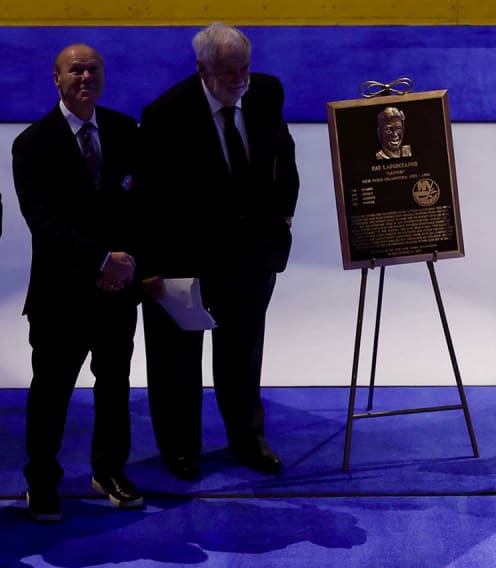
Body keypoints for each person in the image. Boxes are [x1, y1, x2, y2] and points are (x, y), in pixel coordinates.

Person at [136, 23, 299, 480]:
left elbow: (284, 158)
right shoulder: (165, 114)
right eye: (228, 72)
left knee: (243, 355)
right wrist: (153, 269)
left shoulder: (267, 92)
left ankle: (248, 440)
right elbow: (148, 201)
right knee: (177, 363)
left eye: (244, 67)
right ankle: (181, 450)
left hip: (251, 257)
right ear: (202, 69)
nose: (240, 79)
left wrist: (283, 213)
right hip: (187, 259)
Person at [12, 44, 144, 521]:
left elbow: (140, 207)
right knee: (51, 394)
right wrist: (102, 260)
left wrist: (124, 264)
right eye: (75, 69)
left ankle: (109, 470)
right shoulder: (32, 143)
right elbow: (43, 223)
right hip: (60, 296)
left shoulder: (126, 131)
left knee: (114, 387)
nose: (85, 76)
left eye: (93, 69)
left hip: (117, 293)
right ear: (56, 79)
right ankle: (41, 483)